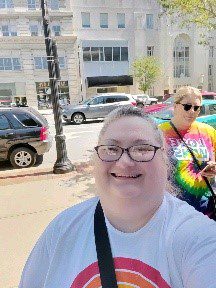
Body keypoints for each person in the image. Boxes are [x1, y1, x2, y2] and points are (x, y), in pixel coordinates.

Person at [19, 106, 216, 288]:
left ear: (164, 160)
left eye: (141, 149)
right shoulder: (62, 229)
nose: (124, 162)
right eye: (111, 149)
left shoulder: (198, 237)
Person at [159, 86, 216, 217]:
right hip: (173, 211)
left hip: (206, 208)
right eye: (187, 106)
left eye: (196, 108)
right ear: (175, 106)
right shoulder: (160, 132)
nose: (192, 111)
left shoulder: (208, 132)